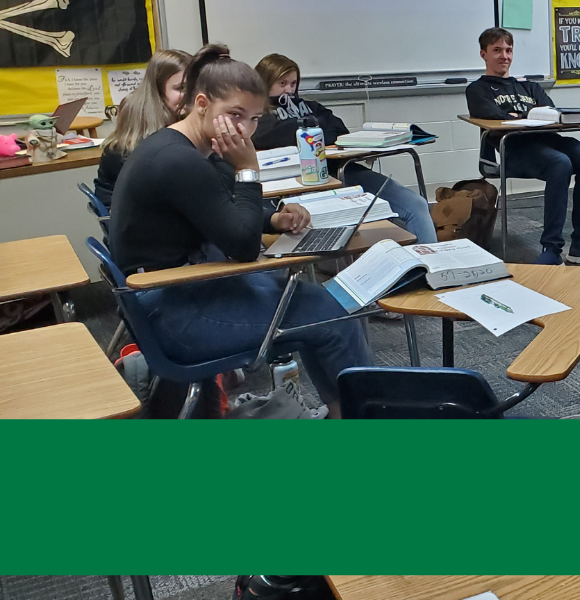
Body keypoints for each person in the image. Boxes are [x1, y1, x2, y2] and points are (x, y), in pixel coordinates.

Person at [109, 44, 372, 416]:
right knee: (331, 314)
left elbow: (218, 208)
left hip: (169, 295)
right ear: (201, 103)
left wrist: (273, 218)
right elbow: (244, 246)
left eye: (252, 119)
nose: (244, 130)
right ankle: (363, 416)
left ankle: (345, 410)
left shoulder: (182, 145)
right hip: (174, 316)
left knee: (314, 303)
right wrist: (248, 168)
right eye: (234, 114)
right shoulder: (178, 161)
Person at [465, 28, 580, 265]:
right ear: (483, 54)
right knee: (560, 163)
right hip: (515, 149)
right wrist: (524, 115)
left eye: (508, 50)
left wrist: (515, 114)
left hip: (548, 140)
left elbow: (549, 111)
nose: (504, 56)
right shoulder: (478, 89)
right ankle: (552, 248)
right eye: (497, 50)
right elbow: (492, 116)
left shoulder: (529, 86)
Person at [249, 54, 438, 244]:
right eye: (282, 83)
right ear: (265, 83)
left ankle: (429, 268)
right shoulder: (256, 116)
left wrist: (307, 130)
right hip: (298, 185)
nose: (289, 90)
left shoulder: (310, 106)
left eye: (293, 83)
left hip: (341, 170)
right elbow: (267, 137)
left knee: (416, 204)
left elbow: (338, 130)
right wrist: (309, 129)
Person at [94, 49, 192, 208]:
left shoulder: (178, 114)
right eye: (181, 88)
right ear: (158, 89)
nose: (190, 96)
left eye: (194, 88)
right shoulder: (142, 126)